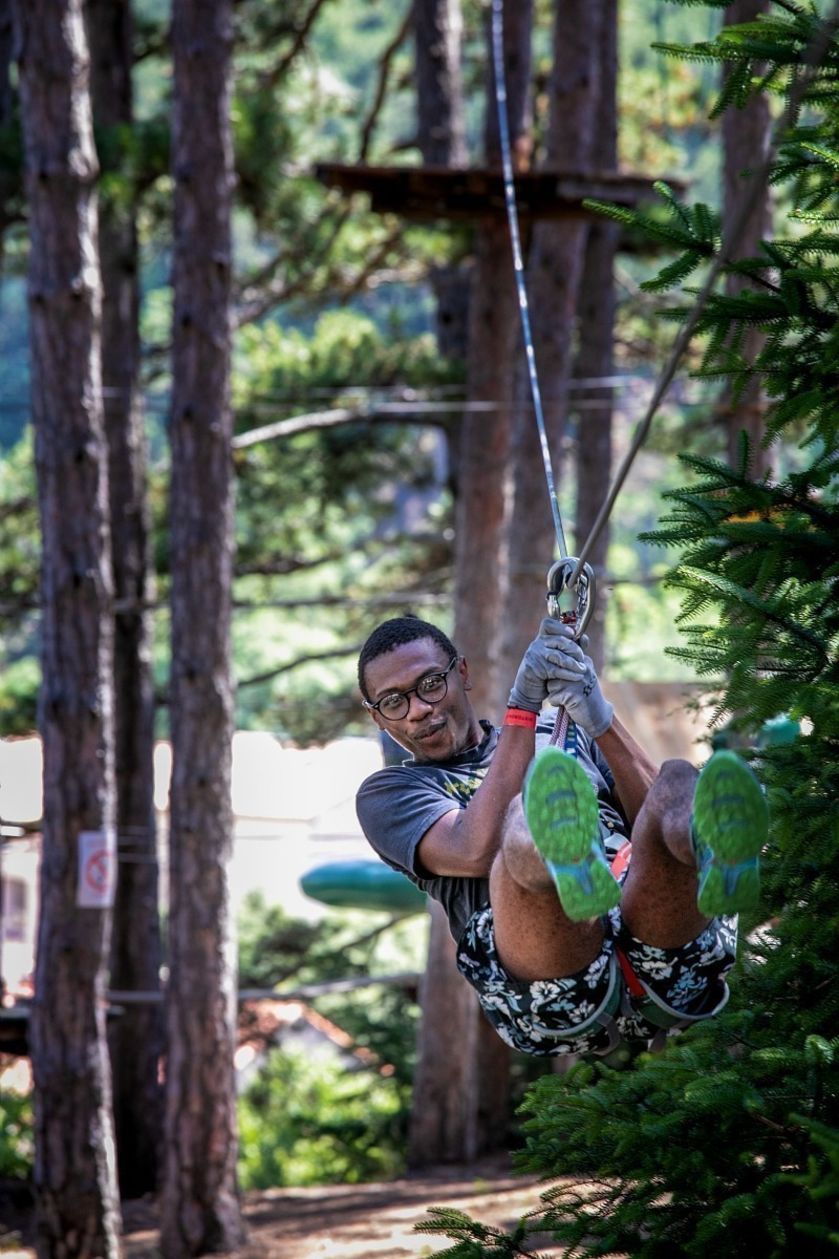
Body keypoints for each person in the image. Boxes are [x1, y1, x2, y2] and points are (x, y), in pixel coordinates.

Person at [355, 614, 768, 1058]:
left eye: (431, 684)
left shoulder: (559, 732)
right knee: (528, 812)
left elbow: (649, 813)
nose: (418, 708)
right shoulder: (389, 794)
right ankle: (568, 862)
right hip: (553, 994)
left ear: (462, 672)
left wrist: (600, 718)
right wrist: (523, 708)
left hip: (665, 948)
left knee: (677, 781)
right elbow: (474, 849)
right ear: (377, 717)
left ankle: (714, 849)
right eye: (393, 702)